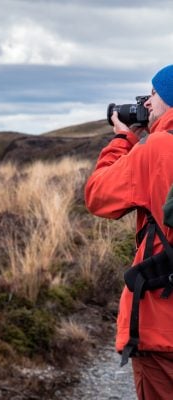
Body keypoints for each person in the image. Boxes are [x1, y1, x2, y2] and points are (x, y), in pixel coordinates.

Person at [85, 64, 173, 400]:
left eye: (154, 94)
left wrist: (124, 138)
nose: (147, 103)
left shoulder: (157, 149)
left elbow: (98, 196)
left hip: (164, 326)